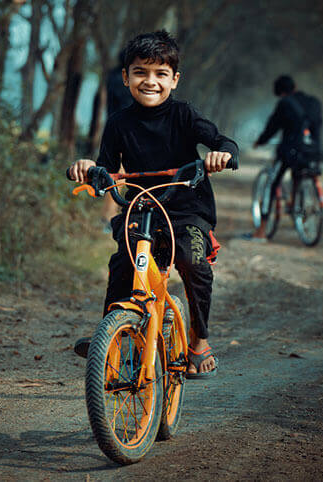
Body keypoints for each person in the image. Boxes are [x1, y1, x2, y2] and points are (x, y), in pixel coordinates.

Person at [68, 30, 239, 378]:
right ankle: (110, 337)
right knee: (122, 264)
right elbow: (106, 168)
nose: (150, 81)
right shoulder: (118, 124)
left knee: (193, 263)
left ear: (174, 80)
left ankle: (199, 340)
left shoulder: (185, 115)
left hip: (187, 207)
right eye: (141, 72)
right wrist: (88, 169)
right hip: (142, 208)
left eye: (160, 74)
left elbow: (222, 140)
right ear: (126, 77)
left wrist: (222, 154)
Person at [247, 75, 322, 241]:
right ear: (294, 87)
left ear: (279, 92)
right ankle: (296, 206)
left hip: (291, 152)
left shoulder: (285, 103)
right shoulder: (314, 102)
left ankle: (261, 230)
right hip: (313, 152)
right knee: (299, 173)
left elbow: (272, 126)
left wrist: (260, 141)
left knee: (271, 184)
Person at [100, 51, 134, 233]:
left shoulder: (112, 77)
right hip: (126, 133)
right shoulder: (127, 81)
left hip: (111, 129)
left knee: (114, 175)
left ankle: (108, 216)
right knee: (117, 176)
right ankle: (109, 218)